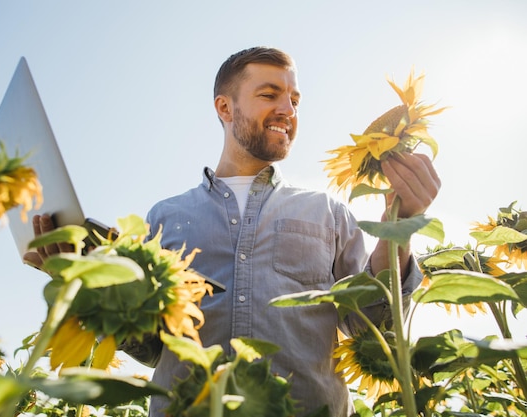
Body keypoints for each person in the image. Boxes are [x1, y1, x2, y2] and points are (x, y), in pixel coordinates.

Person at [26, 46, 441, 417]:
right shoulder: (165, 217)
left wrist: (396, 229)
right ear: (224, 108)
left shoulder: (327, 212)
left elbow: (374, 324)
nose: (289, 110)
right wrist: (89, 286)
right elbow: (153, 349)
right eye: (269, 94)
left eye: (294, 100)